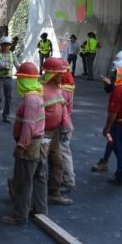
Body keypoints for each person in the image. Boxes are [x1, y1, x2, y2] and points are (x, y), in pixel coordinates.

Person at [1, 62, 48, 225]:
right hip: (39, 142)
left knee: (24, 181)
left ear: (24, 81)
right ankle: (41, 210)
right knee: (39, 177)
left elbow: (28, 125)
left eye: (20, 79)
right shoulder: (38, 95)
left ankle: (20, 215)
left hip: (30, 145)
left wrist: (21, 146)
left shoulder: (30, 100)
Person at [92, 49, 122, 172]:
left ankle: (121, 169)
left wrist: (107, 126)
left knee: (116, 141)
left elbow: (119, 90)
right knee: (121, 142)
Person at [41, 57, 73, 205]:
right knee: (37, 163)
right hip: (44, 134)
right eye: (60, 73)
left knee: (57, 162)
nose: (63, 75)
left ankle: (54, 192)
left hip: (53, 133)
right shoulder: (40, 90)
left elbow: (63, 107)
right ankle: (23, 191)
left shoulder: (57, 89)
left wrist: (65, 123)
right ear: (51, 74)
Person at [0, 36, 18, 123]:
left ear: (9, 45)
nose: (5, 47)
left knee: (9, 97)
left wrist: (23, 70)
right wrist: (1, 67)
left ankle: (6, 116)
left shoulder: (12, 54)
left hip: (9, 78)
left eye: (7, 45)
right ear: (1, 45)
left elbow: (17, 65)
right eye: (3, 45)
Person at [59, 60, 76, 192]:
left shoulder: (63, 91)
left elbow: (61, 110)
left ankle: (68, 180)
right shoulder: (68, 86)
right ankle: (61, 179)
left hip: (62, 126)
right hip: (66, 123)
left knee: (63, 152)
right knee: (61, 152)